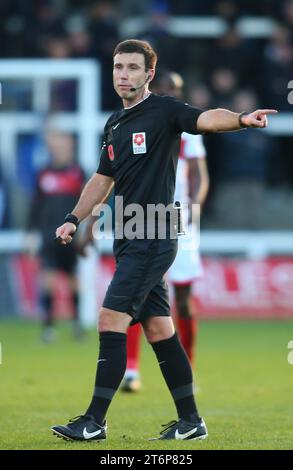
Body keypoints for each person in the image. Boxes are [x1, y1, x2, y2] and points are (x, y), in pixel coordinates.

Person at [51, 39, 277, 441]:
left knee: (110, 319)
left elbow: (208, 118)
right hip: (130, 234)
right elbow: (103, 180)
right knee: (158, 329)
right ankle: (192, 422)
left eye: (133, 68)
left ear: (149, 74)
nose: (124, 74)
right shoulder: (114, 123)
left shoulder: (166, 111)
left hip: (155, 232)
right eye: (119, 67)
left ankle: (94, 422)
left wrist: (242, 118)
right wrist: (74, 217)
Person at [121, 70, 209, 392]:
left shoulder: (190, 129)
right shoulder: (140, 125)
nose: (171, 91)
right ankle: (131, 370)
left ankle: (189, 369)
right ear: (155, 88)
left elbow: (200, 177)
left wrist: (194, 209)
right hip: (145, 216)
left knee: (183, 300)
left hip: (180, 219)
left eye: (177, 87)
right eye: (166, 87)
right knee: (135, 291)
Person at [27, 131, 85, 342]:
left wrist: (86, 231)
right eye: (56, 144)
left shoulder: (78, 173)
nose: (59, 148)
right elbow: (35, 205)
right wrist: (30, 233)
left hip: (71, 234)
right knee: (48, 279)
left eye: (63, 144)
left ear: (70, 146)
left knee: (73, 280)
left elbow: (90, 203)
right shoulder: (44, 173)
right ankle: (48, 327)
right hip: (48, 234)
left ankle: (76, 324)